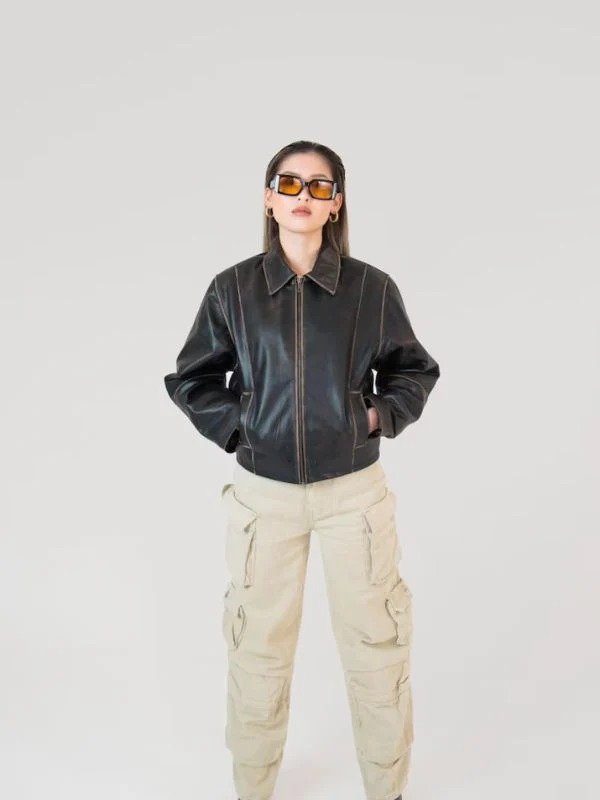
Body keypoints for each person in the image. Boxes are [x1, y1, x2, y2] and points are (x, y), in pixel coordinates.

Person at [164, 140, 441, 800]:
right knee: (258, 647)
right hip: (264, 498)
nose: (303, 196)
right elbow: (192, 378)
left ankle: (387, 789)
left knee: (376, 645)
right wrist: (245, 428)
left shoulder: (370, 289)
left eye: (320, 186)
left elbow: (413, 371)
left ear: (336, 204)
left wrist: (371, 417)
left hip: (354, 496)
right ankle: (253, 787)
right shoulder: (232, 289)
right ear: (269, 198)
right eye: (289, 183)